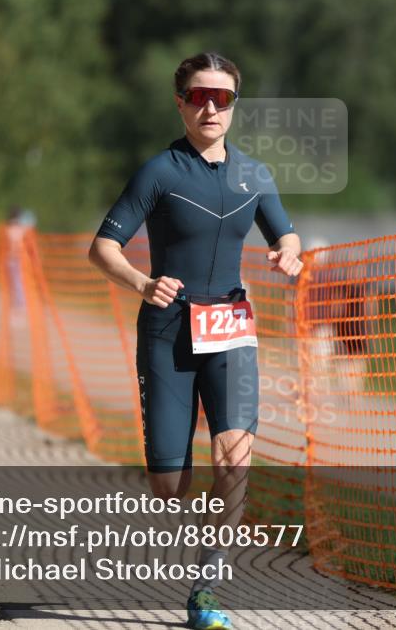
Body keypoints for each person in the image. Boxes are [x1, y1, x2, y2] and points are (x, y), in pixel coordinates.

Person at [88, 52, 302, 630]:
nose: (211, 107)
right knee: (170, 487)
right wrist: (141, 281)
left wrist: (288, 251)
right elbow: (102, 248)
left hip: (230, 328)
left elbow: (286, 233)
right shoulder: (158, 172)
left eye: (223, 98)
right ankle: (179, 505)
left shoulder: (254, 175)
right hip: (167, 331)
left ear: (234, 105)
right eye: (199, 97)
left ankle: (207, 586)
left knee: (235, 456)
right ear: (180, 102)